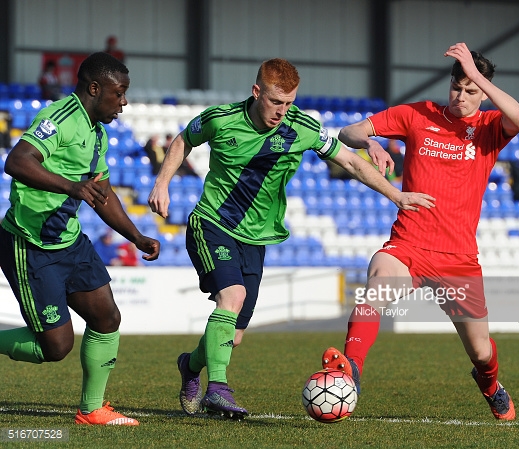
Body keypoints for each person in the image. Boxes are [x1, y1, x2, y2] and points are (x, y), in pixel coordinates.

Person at [147, 58, 435, 419]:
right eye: (275, 102)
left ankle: (191, 366)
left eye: (289, 103)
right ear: (257, 92)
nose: (282, 111)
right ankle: (217, 389)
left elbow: (351, 161)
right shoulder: (220, 118)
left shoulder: (303, 127)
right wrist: (162, 183)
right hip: (212, 223)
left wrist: (397, 195)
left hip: (255, 239)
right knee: (231, 297)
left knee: (233, 335)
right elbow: (182, 141)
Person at [321, 43, 519, 421]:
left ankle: (491, 386)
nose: (461, 97)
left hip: (459, 259)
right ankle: (351, 370)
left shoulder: (489, 128)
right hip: (409, 244)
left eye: (471, 91)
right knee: (376, 287)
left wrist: (477, 74)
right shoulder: (417, 115)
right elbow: (348, 131)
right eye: (456, 87)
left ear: (483, 93)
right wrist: (371, 142)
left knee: (481, 353)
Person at [0, 52, 160, 425]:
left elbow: (101, 192)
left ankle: (92, 409)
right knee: (56, 348)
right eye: (119, 93)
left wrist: (136, 236)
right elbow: (18, 162)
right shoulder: (60, 118)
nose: (124, 102)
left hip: (70, 242)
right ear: (94, 88)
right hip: (31, 243)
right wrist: (73, 187)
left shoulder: (96, 134)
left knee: (106, 317)